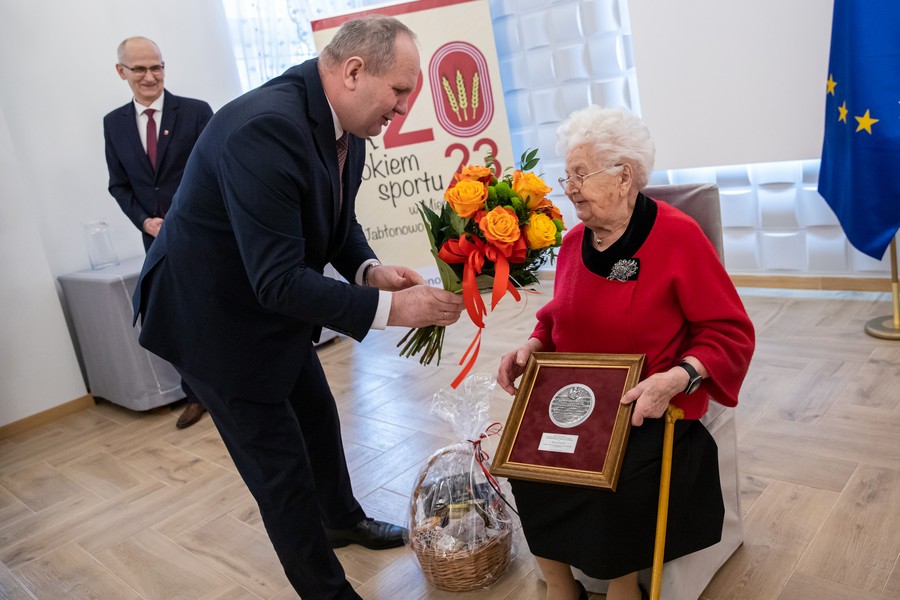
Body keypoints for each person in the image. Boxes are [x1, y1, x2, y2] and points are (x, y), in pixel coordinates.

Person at [131, 16, 464, 600]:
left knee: (315, 413)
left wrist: (368, 269)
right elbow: (280, 281)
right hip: (211, 319)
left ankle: (341, 518)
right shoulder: (264, 130)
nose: (404, 108)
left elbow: (334, 220)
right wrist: (392, 307)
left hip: (262, 300)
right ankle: (328, 593)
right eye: (400, 92)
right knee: (280, 470)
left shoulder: (347, 124)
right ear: (354, 71)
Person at [497, 106, 755, 600]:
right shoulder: (573, 243)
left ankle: (621, 584)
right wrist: (532, 346)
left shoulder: (677, 237)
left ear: (625, 175)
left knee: (618, 474)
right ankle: (559, 583)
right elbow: (559, 317)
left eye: (580, 174)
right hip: (579, 403)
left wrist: (677, 378)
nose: (568, 188)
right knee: (526, 461)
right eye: (566, 175)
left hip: (648, 404)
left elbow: (728, 330)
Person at [104, 36, 213, 429]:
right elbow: (119, 185)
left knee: (215, 312)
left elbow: (215, 172)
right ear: (122, 72)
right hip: (156, 242)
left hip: (204, 237)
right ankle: (197, 395)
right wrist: (144, 220)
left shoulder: (197, 112)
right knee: (175, 320)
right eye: (140, 69)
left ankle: (231, 387)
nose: (151, 76)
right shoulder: (113, 124)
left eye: (158, 67)